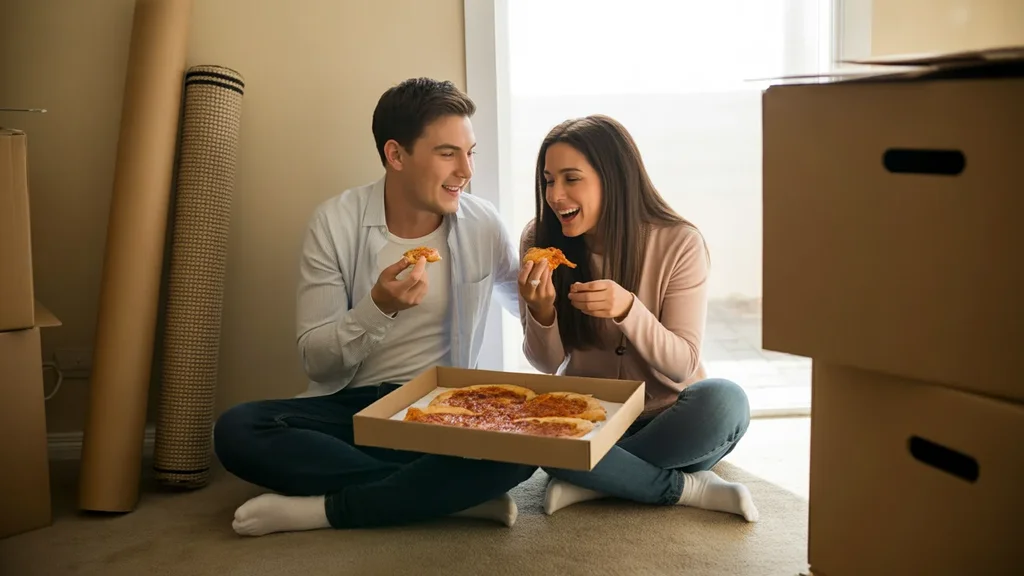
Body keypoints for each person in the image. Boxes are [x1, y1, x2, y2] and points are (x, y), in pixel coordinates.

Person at [213, 78, 533, 537]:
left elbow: (526, 317)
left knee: (526, 446)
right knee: (237, 429)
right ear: (396, 155)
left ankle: (326, 509)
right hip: (353, 410)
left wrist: (542, 308)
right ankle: (447, 498)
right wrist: (377, 308)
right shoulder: (334, 222)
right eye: (448, 153)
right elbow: (317, 362)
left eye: (471, 152)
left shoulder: (483, 224)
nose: (466, 170)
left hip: (444, 410)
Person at [517, 115, 758, 522]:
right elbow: (545, 365)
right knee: (534, 434)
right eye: (548, 180)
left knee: (725, 402)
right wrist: (542, 311)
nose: (555, 195)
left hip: (668, 416)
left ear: (614, 179)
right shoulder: (538, 241)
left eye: (571, 178)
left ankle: (593, 477)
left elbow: (682, 364)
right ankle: (681, 487)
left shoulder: (679, 242)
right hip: (589, 414)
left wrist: (629, 310)